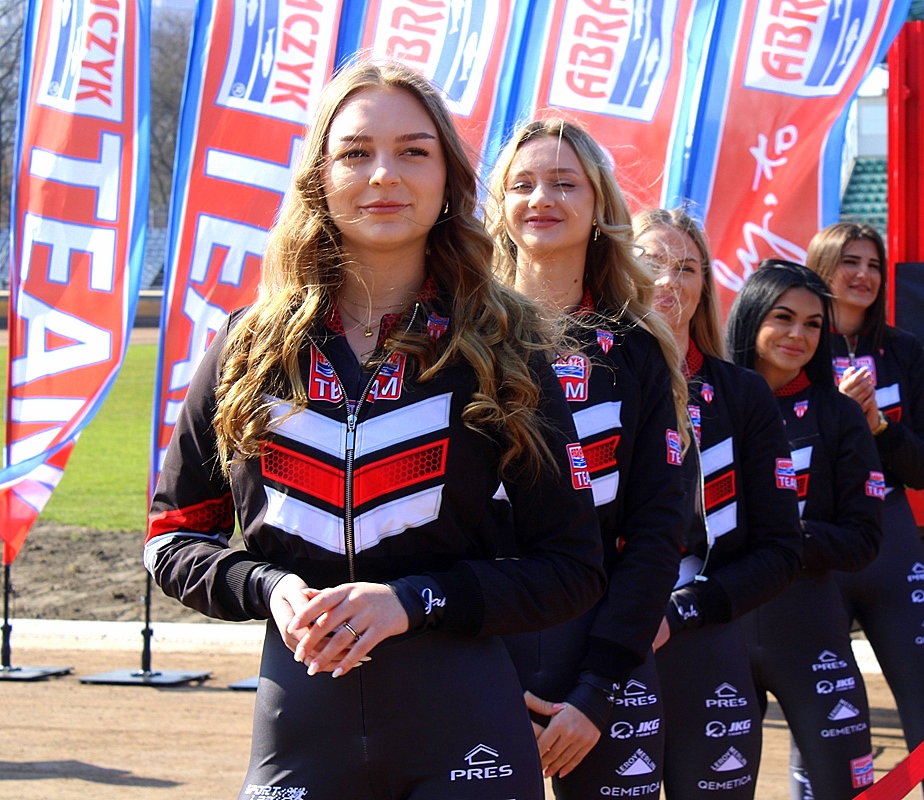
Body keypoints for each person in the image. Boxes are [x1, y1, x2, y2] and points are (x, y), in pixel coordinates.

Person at [143, 61, 606, 799]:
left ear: (448, 177)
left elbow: (574, 566)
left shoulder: (506, 348)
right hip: (300, 730)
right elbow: (171, 538)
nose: (383, 174)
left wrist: (414, 601)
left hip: (467, 733)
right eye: (356, 152)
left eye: (413, 151)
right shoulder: (248, 348)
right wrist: (269, 587)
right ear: (319, 177)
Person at [486, 117, 690, 799]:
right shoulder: (458, 333)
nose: (541, 198)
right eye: (523, 184)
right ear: (501, 205)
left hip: (602, 657)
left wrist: (598, 688)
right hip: (474, 646)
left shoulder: (638, 347)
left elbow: (657, 530)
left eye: (564, 183)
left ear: (600, 204)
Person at [633, 209, 806, 800]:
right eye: (650, 262)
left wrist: (683, 612)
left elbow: (781, 551)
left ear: (705, 285)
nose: (668, 281)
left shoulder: (742, 393)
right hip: (601, 635)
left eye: (686, 268)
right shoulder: (583, 379)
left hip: (703, 634)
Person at [808, 222, 924, 799]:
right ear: (821, 269)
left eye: (873, 264)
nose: (863, 275)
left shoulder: (904, 350)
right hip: (820, 549)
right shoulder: (796, 344)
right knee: (826, 731)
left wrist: (879, 425)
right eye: (849, 262)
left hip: (891, 537)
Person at [726, 261, 884, 800]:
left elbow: (863, 540)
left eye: (814, 324)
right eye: (783, 317)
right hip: (721, 627)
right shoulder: (706, 401)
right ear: (751, 317)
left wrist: (782, 537)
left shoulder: (839, 415)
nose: (798, 334)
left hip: (810, 629)